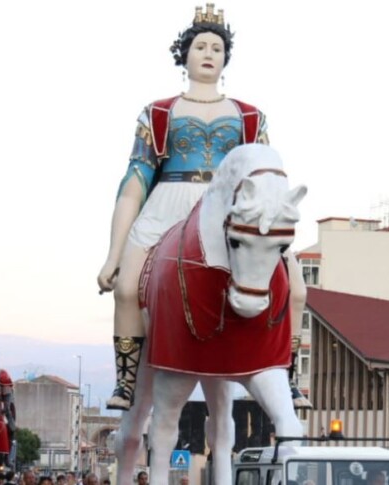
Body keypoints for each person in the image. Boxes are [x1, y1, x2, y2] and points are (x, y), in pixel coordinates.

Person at [97, 2, 310, 412]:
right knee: (126, 287)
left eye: (216, 47)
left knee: (295, 286)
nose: (209, 53)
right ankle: (126, 380)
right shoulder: (159, 113)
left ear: (226, 58)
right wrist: (113, 254)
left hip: (230, 208)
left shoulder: (250, 116)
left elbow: (264, 174)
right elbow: (134, 183)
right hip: (168, 203)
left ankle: (288, 374)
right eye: (200, 46)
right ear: (185, 55)